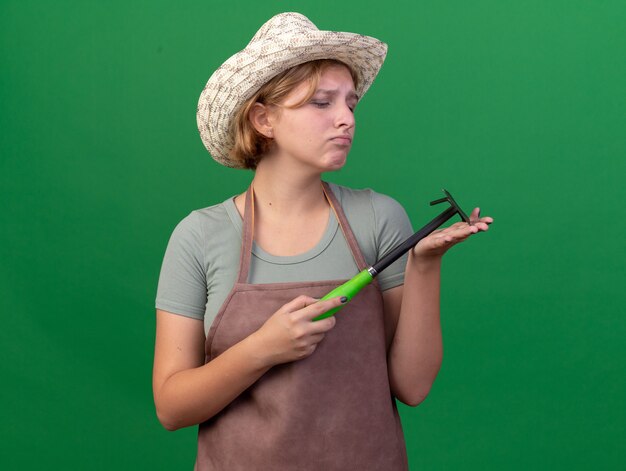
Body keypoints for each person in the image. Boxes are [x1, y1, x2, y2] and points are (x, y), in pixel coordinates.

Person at [153, 12, 492, 471]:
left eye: (350, 104)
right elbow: (172, 408)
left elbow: (412, 386)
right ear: (263, 118)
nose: (346, 119)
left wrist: (425, 267)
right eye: (321, 103)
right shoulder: (199, 236)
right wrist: (262, 348)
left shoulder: (379, 218)